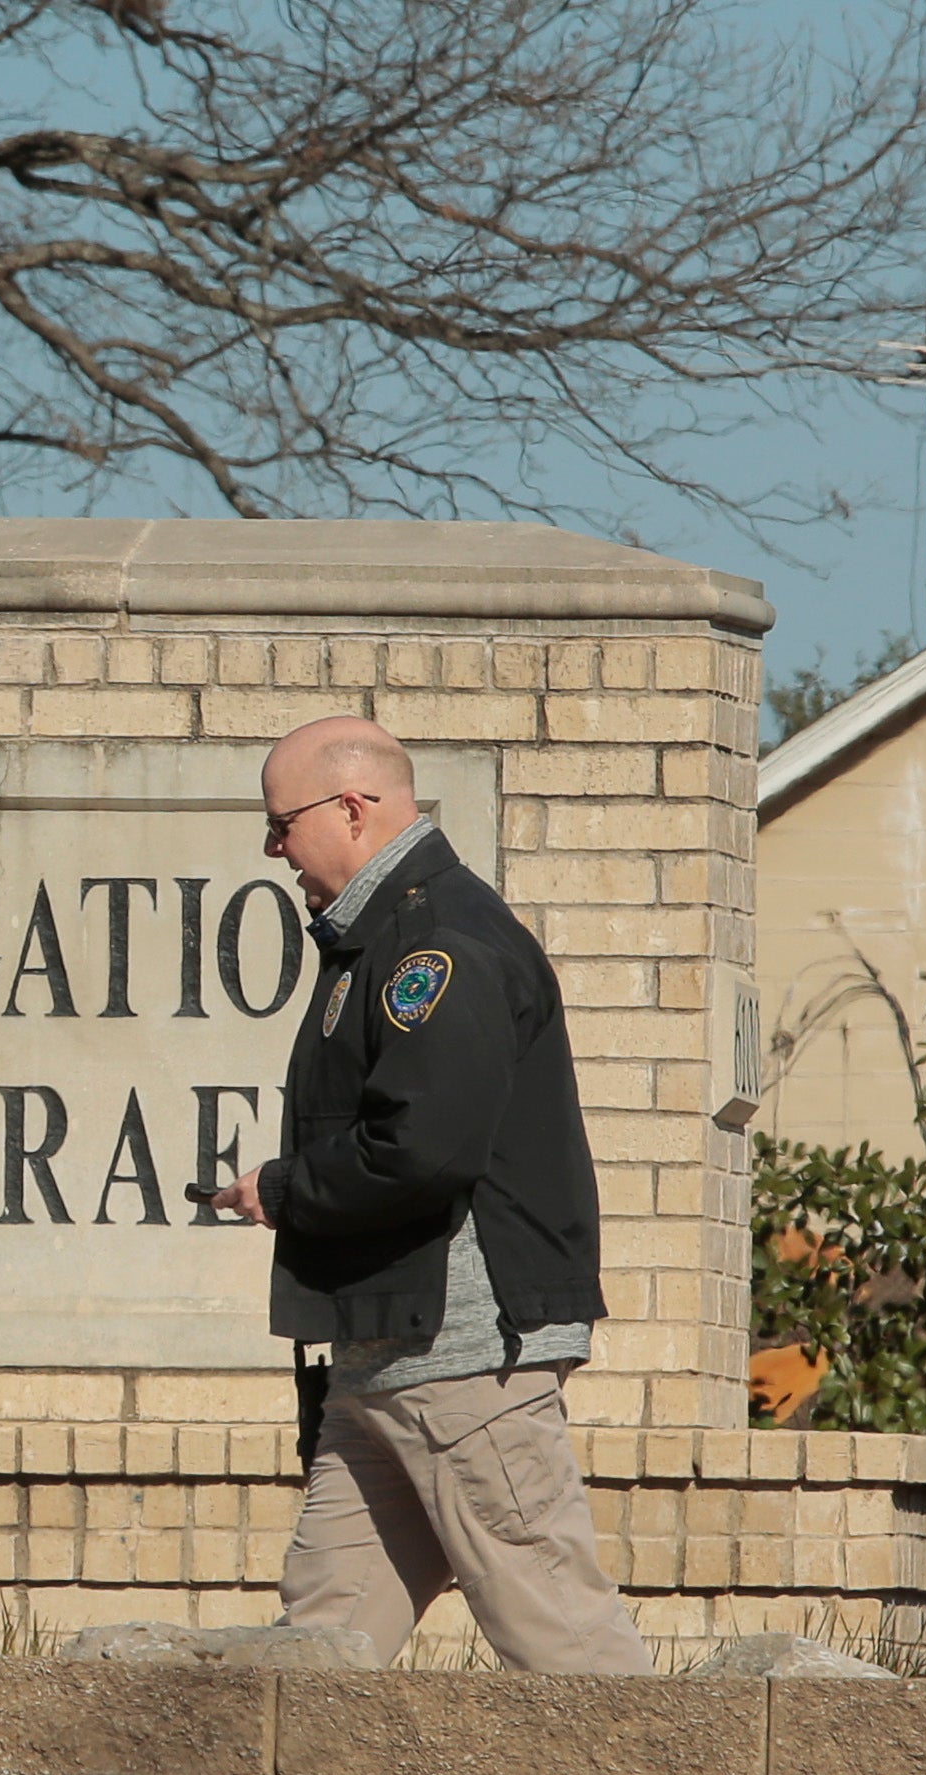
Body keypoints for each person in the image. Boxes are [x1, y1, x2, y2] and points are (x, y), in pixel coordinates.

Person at [214, 717, 650, 1673]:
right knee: (317, 1657)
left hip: (458, 1361)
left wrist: (281, 1189)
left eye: (281, 823)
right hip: (384, 1362)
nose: (272, 848)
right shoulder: (379, 940)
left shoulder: (436, 945)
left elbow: (422, 1149)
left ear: (353, 810)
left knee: (564, 1644)